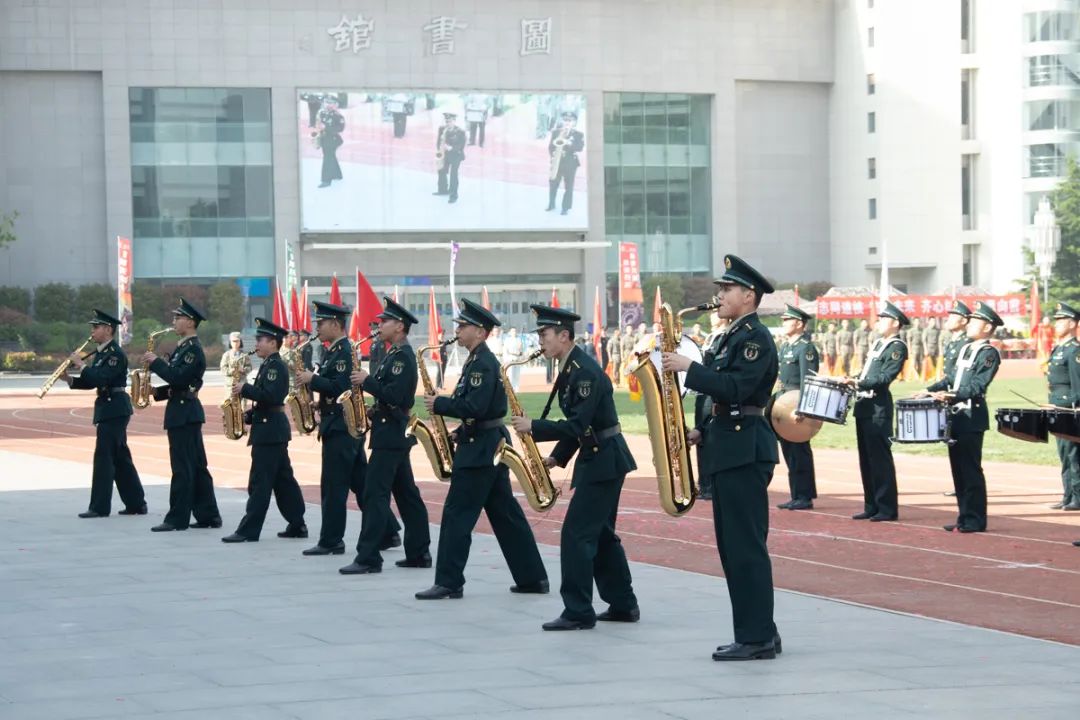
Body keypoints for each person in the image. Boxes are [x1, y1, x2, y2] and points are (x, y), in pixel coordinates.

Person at [662, 255, 780, 661]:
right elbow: (727, 403)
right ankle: (761, 630)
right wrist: (701, 431)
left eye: (727, 289)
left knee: (744, 548)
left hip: (745, 451)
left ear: (749, 296)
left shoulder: (754, 338)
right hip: (729, 446)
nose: (720, 295)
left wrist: (689, 368)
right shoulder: (734, 334)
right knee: (735, 548)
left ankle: (755, 638)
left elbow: (737, 389)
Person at [511, 305, 639, 631]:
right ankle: (623, 604)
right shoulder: (571, 369)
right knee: (602, 536)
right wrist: (558, 457)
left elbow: (579, 423)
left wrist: (533, 427)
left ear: (564, 336)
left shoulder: (583, 371)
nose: (540, 340)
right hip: (600, 458)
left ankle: (578, 610)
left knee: (576, 534)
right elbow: (581, 426)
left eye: (544, 334)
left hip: (604, 460)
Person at [416, 299, 548, 600]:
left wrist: (441, 404)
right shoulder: (477, 361)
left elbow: (474, 406)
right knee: (506, 515)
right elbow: (484, 411)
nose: (458, 331)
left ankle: (449, 582)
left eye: (462, 327)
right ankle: (532, 577)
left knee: (456, 515)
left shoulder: (483, 363)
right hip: (486, 443)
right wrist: (459, 432)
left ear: (480, 331)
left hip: (480, 451)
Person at [340, 297, 432, 574]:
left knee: (375, 495)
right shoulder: (394, 354)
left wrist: (366, 381)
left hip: (391, 434)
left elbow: (398, 396)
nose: (380, 326)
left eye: (385, 322)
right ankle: (419, 552)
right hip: (389, 430)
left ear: (400, 327)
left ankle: (368, 557)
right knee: (406, 495)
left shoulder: (403, 357)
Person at [221, 318, 308, 543]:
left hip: (270, 432)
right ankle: (297, 523)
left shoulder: (275, 366)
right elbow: (266, 402)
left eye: (260, 339)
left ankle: (248, 530)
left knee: (260, 482)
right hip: (269, 428)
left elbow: (272, 397)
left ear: (272, 342)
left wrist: (245, 389)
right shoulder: (268, 365)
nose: (256, 343)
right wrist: (248, 415)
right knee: (283, 481)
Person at [922, 302, 1002, 533]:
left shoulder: (989, 353)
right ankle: (964, 517)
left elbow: (977, 385)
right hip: (955, 416)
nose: (969, 324)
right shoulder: (967, 349)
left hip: (971, 416)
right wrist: (929, 390)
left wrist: (950, 396)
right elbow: (951, 379)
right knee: (957, 469)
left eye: (975, 321)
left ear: (987, 327)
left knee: (970, 469)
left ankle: (976, 519)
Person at [144, 298, 222, 532]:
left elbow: (178, 378)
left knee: (183, 468)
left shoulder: (192, 350)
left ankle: (177, 519)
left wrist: (156, 363)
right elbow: (181, 384)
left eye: (178, 318)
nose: (174, 321)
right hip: (183, 411)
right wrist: (156, 392)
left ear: (189, 321)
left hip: (185, 414)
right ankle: (208, 515)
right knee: (196, 466)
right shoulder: (183, 347)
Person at [63, 309, 146, 518]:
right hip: (108, 407)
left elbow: (101, 379)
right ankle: (136, 503)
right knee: (119, 458)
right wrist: (69, 379)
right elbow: (92, 381)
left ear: (108, 329)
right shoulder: (101, 352)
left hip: (115, 408)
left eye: (96, 327)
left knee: (104, 457)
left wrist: (81, 364)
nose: (92, 331)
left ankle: (99, 507)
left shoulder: (115, 354)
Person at [297, 301, 359, 556]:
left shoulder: (344, 350)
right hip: (337, 423)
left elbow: (341, 386)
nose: (317, 327)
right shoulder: (332, 350)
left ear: (335, 324)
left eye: (321, 323)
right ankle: (388, 531)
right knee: (363, 483)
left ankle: (332, 540)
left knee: (334, 487)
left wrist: (313, 380)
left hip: (341, 425)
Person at [846, 301, 909, 523]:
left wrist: (858, 382)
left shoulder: (896, 347)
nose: (879, 322)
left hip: (878, 408)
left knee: (880, 459)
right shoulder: (878, 344)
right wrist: (853, 378)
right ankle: (871, 504)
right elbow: (867, 372)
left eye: (883, 319)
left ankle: (886, 507)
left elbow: (884, 378)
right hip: (864, 407)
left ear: (895, 323)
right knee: (866, 459)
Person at [775, 305, 819, 511]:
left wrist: (804, 408)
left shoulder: (806, 348)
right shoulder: (785, 347)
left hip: (797, 405)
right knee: (789, 451)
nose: (783, 323)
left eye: (787, 320)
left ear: (799, 323)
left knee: (800, 450)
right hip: (782, 404)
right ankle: (796, 494)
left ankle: (805, 495)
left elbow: (808, 380)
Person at [1047, 302, 1080, 511]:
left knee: (1074, 455)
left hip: (1070, 410)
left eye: (1061, 320)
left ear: (1072, 323)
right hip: (1058, 409)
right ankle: (1068, 495)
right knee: (1063, 454)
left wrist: (1072, 405)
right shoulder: (1059, 348)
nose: (1056, 324)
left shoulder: (1074, 351)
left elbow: (1078, 386)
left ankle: (1077, 496)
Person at [547, 112, 585, 215]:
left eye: (570, 120)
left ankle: (565, 208)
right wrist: (553, 154)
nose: (567, 122)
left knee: (569, 186)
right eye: (565, 120)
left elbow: (580, 147)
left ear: (574, 122)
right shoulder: (556, 132)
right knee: (553, 183)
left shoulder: (578, 134)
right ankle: (551, 204)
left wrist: (569, 143)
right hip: (557, 162)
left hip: (570, 163)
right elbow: (551, 146)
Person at [434, 112, 467, 204]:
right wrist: (439, 150)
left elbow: (461, 145)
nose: (448, 123)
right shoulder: (442, 129)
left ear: (454, 121)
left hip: (456, 155)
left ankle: (453, 195)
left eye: (450, 121)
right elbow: (438, 140)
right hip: (444, 154)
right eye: (446, 121)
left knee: (453, 174)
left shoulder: (460, 131)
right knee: (441, 170)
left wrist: (451, 148)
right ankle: (443, 190)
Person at [317, 97, 345, 188]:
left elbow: (340, 129)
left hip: (333, 139)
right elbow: (318, 125)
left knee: (327, 158)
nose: (328, 105)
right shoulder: (322, 113)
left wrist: (326, 128)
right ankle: (337, 175)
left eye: (331, 103)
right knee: (330, 156)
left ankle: (326, 180)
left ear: (336, 105)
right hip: (324, 138)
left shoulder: (338, 116)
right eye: (327, 102)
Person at [503, 327, 525, 391]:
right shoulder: (507, 340)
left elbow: (521, 351)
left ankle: (516, 388)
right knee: (510, 375)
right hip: (510, 359)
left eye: (515, 331)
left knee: (517, 375)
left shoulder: (519, 340)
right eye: (512, 331)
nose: (514, 332)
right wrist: (506, 360)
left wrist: (520, 354)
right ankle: (511, 388)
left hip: (517, 359)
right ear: (510, 332)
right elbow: (505, 351)